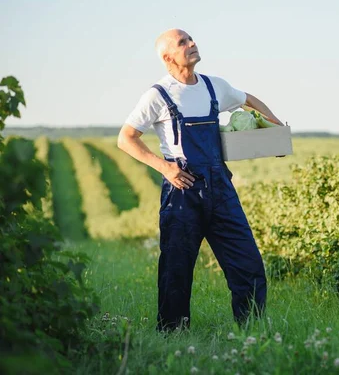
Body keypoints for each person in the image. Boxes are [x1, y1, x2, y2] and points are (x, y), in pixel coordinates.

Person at [117, 28, 283, 331]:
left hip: (220, 187)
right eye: (183, 42)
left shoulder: (214, 86)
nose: (192, 44)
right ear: (168, 57)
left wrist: (276, 131)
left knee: (248, 265)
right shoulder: (157, 94)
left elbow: (248, 100)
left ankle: (252, 331)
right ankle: (172, 335)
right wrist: (164, 167)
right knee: (176, 270)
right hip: (182, 190)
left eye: (191, 39)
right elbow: (126, 138)